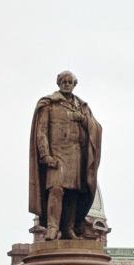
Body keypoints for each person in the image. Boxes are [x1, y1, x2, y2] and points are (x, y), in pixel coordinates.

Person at [29, 70, 102, 241]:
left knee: (73, 193)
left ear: (74, 84)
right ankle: (53, 227)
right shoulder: (49, 104)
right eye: (64, 81)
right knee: (56, 189)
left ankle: (69, 228)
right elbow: (41, 132)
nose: (67, 84)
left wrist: (83, 120)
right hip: (57, 155)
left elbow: (96, 128)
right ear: (59, 83)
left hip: (76, 155)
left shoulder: (82, 107)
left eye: (70, 82)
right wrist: (45, 155)